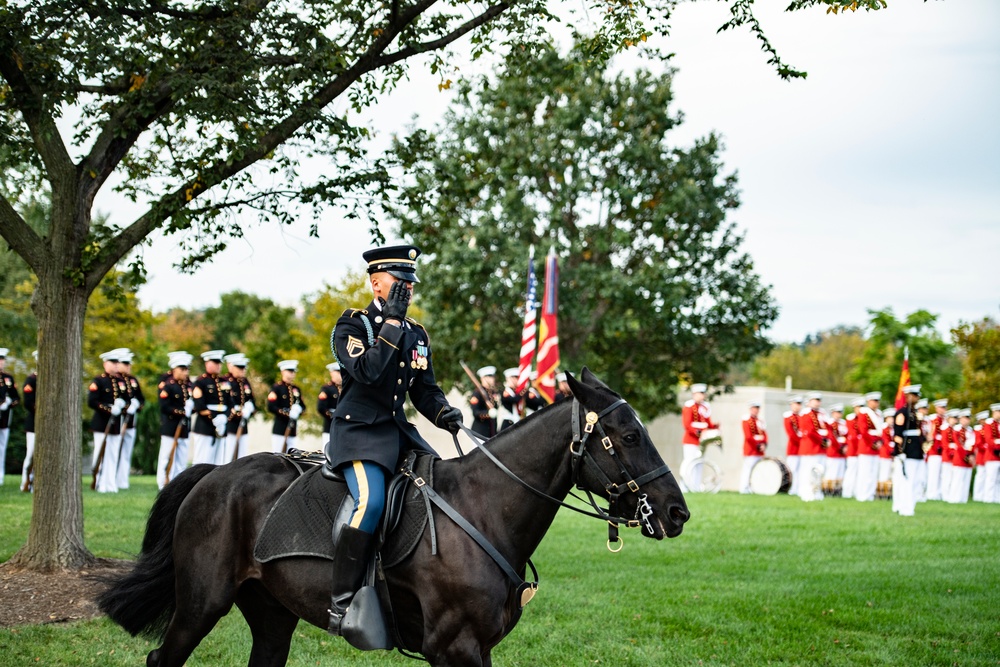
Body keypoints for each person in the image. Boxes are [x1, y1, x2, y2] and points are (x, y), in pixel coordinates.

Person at [323, 243, 463, 638]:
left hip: (398, 432)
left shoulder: (416, 332)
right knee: (370, 503)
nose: (407, 288)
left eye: (410, 282)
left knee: (446, 487)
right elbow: (367, 371)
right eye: (399, 281)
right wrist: (392, 323)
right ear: (376, 283)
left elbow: (425, 391)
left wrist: (443, 412)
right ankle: (342, 600)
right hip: (358, 434)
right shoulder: (354, 325)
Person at [89, 349, 128, 493]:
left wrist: (123, 405)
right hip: (101, 423)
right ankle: (98, 482)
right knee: (100, 452)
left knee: (112, 454)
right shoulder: (98, 381)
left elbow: (127, 399)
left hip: (116, 424)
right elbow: (92, 401)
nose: (116, 365)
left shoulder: (120, 382)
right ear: (105, 364)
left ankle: (110, 483)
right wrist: (108, 409)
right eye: (113, 362)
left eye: (117, 363)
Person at [157, 352, 194, 489]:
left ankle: (178, 483)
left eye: (187, 369)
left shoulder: (188, 387)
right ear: (174, 370)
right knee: (166, 455)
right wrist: (183, 412)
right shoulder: (169, 386)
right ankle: (162, 482)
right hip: (171, 425)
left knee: (181, 457)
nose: (185, 372)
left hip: (184, 427)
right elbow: (164, 406)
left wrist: (191, 409)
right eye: (182, 369)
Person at [191, 350, 233, 465]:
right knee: (202, 459)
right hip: (205, 425)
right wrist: (214, 418)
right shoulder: (201, 382)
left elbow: (230, 403)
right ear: (207, 363)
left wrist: (225, 417)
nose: (218, 365)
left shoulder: (224, 382)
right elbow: (199, 405)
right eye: (215, 362)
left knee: (219, 461)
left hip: (222, 424)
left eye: (219, 363)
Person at [891, 385, 925, 517]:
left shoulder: (914, 412)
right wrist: (900, 452)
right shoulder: (902, 412)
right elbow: (898, 434)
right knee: (907, 480)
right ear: (908, 396)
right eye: (915, 395)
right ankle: (905, 508)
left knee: (915, 480)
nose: (917, 398)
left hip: (916, 449)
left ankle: (909, 505)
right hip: (907, 450)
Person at [117, 350, 145, 490]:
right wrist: (126, 406)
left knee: (126, 452)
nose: (128, 367)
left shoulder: (132, 380)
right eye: (125, 364)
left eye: (129, 364)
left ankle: (122, 480)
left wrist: (136, 405)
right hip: (118, 420)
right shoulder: (116, 380)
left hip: (130, 421)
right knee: (113, 451)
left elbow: (141, 398)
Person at [681, 383, 716, 492]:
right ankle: (685, 486)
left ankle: (695, 487)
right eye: (701, 393)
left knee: (699, 464)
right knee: (689, 463)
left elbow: (707, 423)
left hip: (701, 442)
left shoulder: (705, 407)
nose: (703, 395)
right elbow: (687, 424)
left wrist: (715, 427)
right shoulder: (689, 406)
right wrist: (699, 433)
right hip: (691, 441)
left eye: (703, 393)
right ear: (694, 394)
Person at [268, 359, 306, 453]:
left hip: (292, 429)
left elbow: (303, 406)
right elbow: (271, 406)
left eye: (293, 371)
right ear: (283, 371)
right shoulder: (277, 388)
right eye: (289, 371)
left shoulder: (296, 389)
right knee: (278, 454)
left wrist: (299, 410)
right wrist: (287, 413)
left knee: (291, 455)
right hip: (280, 428)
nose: (292, 374)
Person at [225, 353, 256, 461]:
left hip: (243, 423)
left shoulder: (245, 382)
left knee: (242, 456)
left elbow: (252, 399)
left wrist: (250, 408)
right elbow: (226, 401)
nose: (242, 370)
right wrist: (237, 411)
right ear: (231, 367)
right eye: (239, 368)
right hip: (231, 423)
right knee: (228, 455)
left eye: (243, 368)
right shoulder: (226, 381)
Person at [797, 392, 826, 501]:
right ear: (809, 401)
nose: (817, 402)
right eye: (815, 400)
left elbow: (826, 428)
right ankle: (806, 493)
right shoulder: (806, 413)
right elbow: (809, 431)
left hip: (820, 448)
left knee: (818, 472)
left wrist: (826, 440)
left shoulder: (822, 414)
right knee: (808, 471)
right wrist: (822, 439)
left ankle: (817, 492)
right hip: (810, 447)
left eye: (819, 400)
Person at [855, 391, 883, 502]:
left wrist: (880, 442)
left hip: (876, 445)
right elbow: (863, 431)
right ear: (868, 401)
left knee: (873, 472)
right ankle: (862, 494)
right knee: (864, 472)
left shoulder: (878, 414)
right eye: (874, 401)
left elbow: (880, 431)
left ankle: (870, 494)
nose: (876, 403)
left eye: (877, 401)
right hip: (867, 446)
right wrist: (873, 443)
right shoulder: (864, 413)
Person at [0, 347, 21, 486]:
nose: (1, 363)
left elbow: (16, 398)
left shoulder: (8, 378)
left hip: (4, 419)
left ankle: (0, 475)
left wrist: (8, 403)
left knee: (2, 448)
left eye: (2, 360)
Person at [947, 409, 974, 503]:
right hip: (960, 458)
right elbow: (958, 445)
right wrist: (966, 456)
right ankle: (954, 499)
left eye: (968, 418)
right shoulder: (957, 430)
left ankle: (963, 499)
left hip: (969, 458)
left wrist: (971, 455)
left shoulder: (970, 431)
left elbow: (973, 444)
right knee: (957, 480)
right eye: (964, 418)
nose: (966, 420)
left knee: (966, 480)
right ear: (961, 419)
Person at [740, 401, 767, 494]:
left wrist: (764, 444)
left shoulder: (760, 420)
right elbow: (748, 436)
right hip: (751, 449)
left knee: (758, 469)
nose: (756, 410)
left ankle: (755, 487)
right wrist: (758, 445)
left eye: (757, 408)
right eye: (754, 408)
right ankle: (744, 488)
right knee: (748, 469)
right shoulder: (746, 420)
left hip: (759, 450)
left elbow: (764, 434)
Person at [20, 351, 37, 492]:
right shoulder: (31, 380)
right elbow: (28, 402)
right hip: (34, 424)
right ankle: (25, 482)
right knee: (31, 454)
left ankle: (36, 483)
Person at [925, 398, 948, 501]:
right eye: (942, 407)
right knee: (933, 473)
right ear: (937, 408)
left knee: (941, 474)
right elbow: (932, 435)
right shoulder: (933, 419)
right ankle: (931, 493)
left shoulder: (946, 419)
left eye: (945, 407)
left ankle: (938, 493)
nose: (944, 409)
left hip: (942, 451)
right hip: (934, 450)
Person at [822, 403, 847, 497]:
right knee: (831, 472)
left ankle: (837, 491)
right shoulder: (830, 424)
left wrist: (845, 446)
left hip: (841, 453)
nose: (838, 414)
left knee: (840, 472)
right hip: (833, 451)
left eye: (840, 412)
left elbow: (846, 436)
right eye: (837, 412)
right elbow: (831, 437)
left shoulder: (843, 423)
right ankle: (828, 491)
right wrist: (839, 447)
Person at [842, 397, 864, 499]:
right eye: (858, 407)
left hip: (862, 450)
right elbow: (853, 435)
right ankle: (847, 492)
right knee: (851, 471)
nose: (860, 409)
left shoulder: (865, 418)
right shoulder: (851, 419)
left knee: (860, 473)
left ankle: (856, 491)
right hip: (853, 450)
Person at [469, 365, 498, 438]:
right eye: (490, 377)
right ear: (483, 378)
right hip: (480, 431)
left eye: (492, 377)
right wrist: (488, 414)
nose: (492, 379)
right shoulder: (477, 393)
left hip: (491, 431)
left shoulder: (492, 392)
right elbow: (475, 412)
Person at [783, 396, 803, 496]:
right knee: (792, 469)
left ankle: (798, 488)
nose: (798, 406)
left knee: (800, 470)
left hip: (802, 449)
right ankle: (791, 489)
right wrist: (801, 442)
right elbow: (791, 433)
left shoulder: (801, 417)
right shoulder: (788, 417)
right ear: (791, 405)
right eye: (796, 404)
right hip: (794, 448)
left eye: (799, 404)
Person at [317, 362, 342, 435]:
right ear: (331, 373)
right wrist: (334, 416)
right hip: (329, 426)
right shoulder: (326, 388)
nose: (340, 374)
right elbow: (321, 408)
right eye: (337, 372)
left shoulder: (345, 388)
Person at [983, 403, 1000, 504]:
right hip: (992, 455)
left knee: (998, 480)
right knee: (991, 479)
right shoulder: (989, 424)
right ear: (994, 412)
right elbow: (989, 440)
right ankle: (988, 498)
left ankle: (997, 498)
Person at [878, 408, 895, 500]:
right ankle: (881, 493)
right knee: (884, 474)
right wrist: (892, 450)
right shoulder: (884, 428)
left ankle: (889, 493)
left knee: (891, 474)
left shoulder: (893, 428)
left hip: (892, 454)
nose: (892, 420)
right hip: (885, 454)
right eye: (890, 418)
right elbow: (886, 441)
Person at [972, 411, 988, 502]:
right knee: (980, 477)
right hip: (981, 456)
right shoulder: (978, 430)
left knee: (987, 477)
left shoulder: (988, 428)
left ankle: (984, 496)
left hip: (988, 456)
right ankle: (977, 496)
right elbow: (978, 443)